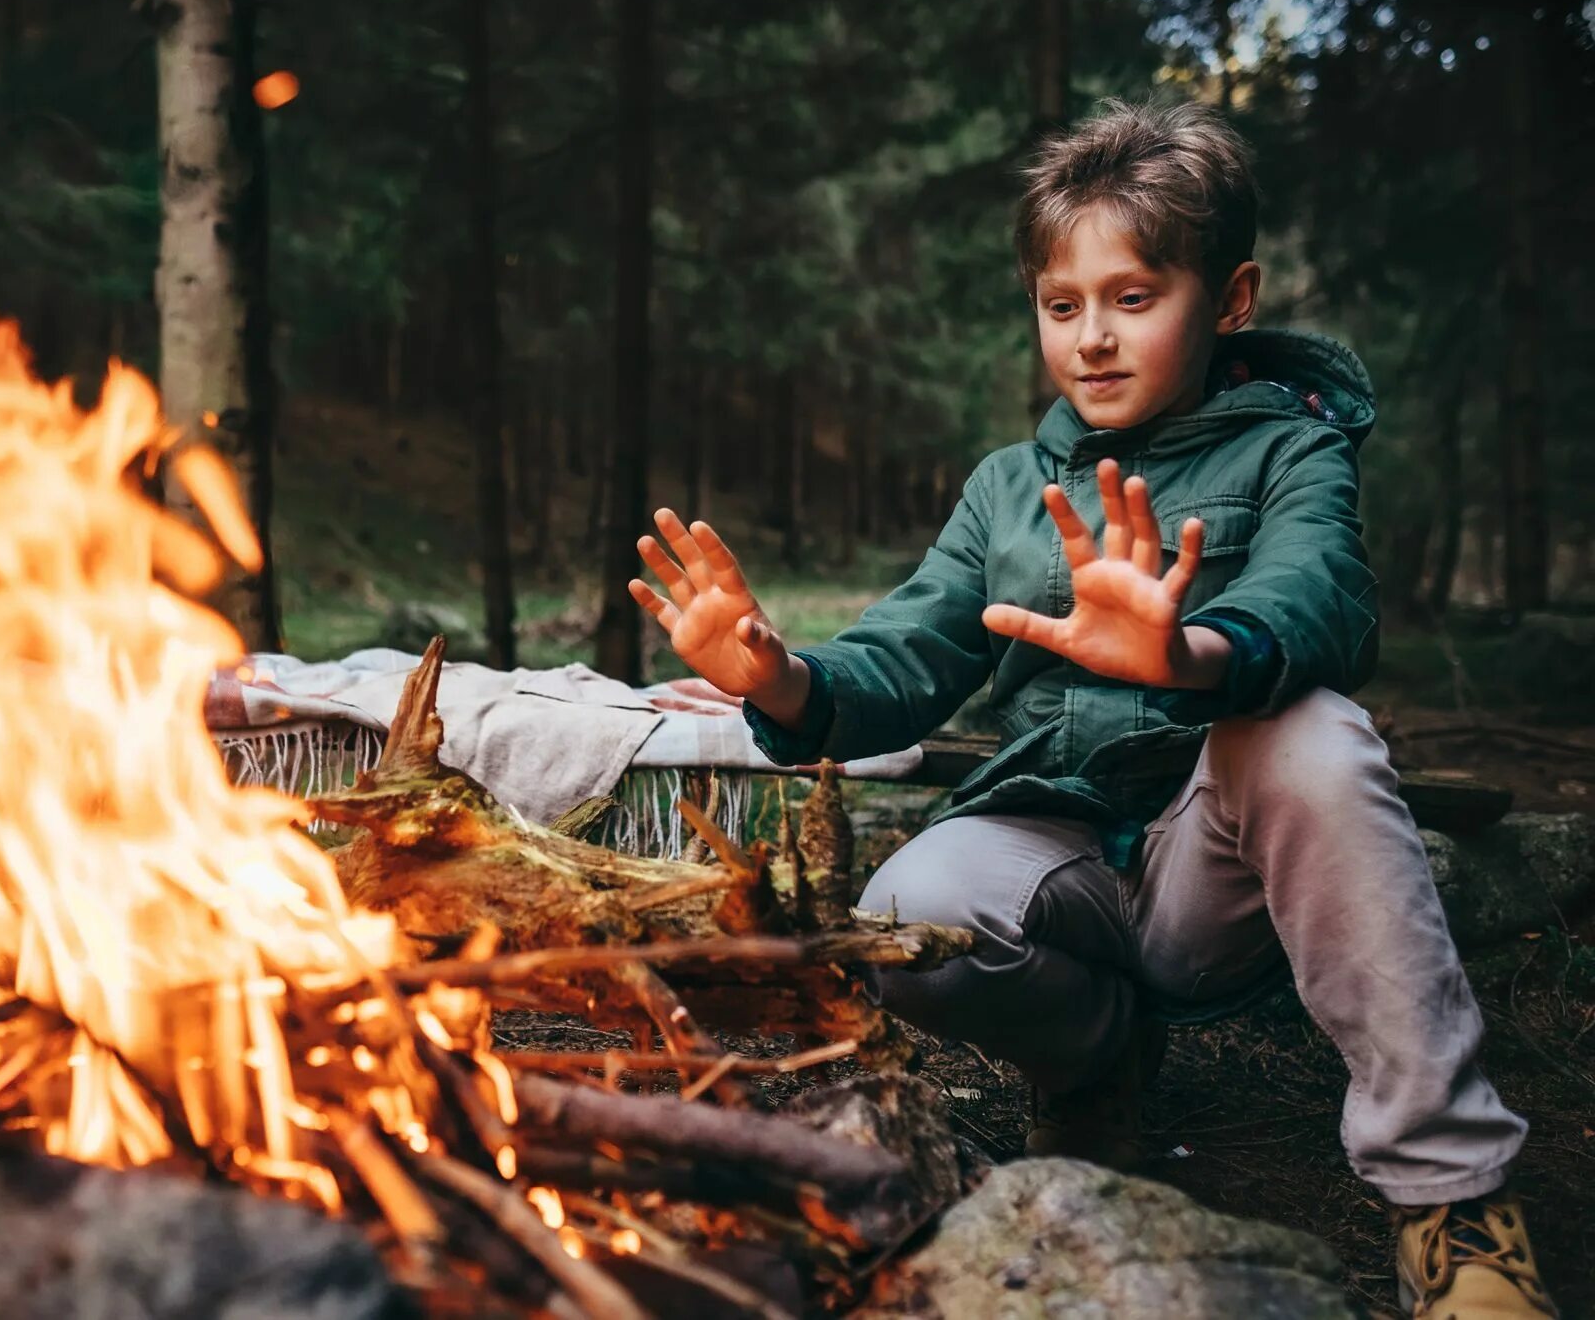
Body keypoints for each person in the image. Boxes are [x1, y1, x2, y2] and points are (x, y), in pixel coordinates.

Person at [629, 98, 1556, 1319]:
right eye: (1060, 306)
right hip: (1057, 844)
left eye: (1132, 297)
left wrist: (1191, 652)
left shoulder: (1292, 453)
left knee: (1313, 730)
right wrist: (776, 676)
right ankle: (1093, 1056)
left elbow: (1321, 598)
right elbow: (906, 653)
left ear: (1226, 301)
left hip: (1210, 869)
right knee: (908, 908)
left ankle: (1453, 1206)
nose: (1092, 341)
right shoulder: (1008, 488)